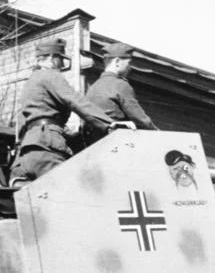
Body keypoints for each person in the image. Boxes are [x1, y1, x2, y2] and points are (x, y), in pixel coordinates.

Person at [9, 38, 114, 186]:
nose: (61, 66)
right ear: (52, 58)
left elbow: (24, 121)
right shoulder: (50, 75)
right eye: (61, 60)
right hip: (48, 150)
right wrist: (109, 124)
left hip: (25, 155)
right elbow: (75, 100)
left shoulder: (30, 83)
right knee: (72, 194)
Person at [83, 42, 158, 146]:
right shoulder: (120, 85)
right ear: (117, 61)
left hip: (94, 145)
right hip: (116, 143)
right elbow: (140, 119)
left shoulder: (93, 87)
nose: (130, 67)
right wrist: (159, 134)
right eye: (128, 63)